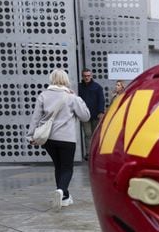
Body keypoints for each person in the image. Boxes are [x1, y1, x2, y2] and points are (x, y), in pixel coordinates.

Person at [27, 69, 91, 210]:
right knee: (67, 167)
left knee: (59, 166)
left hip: (48, 139)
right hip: (66, 138)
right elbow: (85, 116)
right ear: (66, 80)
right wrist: (77, 98)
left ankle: (64, 197)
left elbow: (35, 118)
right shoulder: (71, 97)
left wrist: (30, 136)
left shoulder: (43, 95)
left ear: (51, 79)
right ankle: (61, 190)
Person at [77, 69, 105, 160]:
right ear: (82, 76)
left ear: (91, 76)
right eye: (85, 76)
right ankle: (89, 154)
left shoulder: (97, 87)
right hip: (84, 115)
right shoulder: (79, 87)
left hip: (95, 114)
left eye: (88, 75)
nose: (87, 77)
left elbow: (101, 100)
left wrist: (101, 112)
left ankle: (96, 153)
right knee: (87, 134)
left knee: (95, 134)